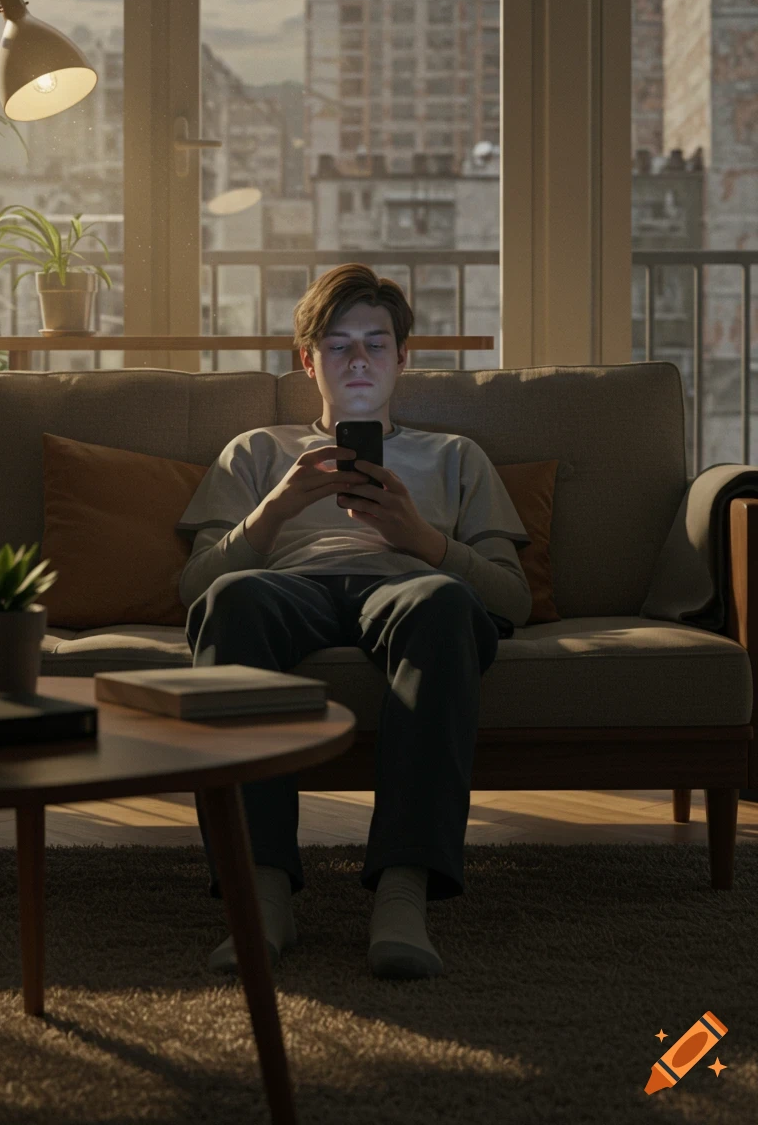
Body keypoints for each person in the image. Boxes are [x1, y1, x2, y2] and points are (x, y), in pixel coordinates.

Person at [176, 263, 532, 981]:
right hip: (286, 589)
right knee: (234, 599)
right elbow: (195, 590)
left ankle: (403, 892)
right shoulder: (256, 451)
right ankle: (262, 891)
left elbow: (512, 601)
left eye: (376, 343)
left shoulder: (456, 457)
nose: (359, 359)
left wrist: (421, 539)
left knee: (442, 602)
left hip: (408, 587)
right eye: (339, 346)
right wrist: (275, 507)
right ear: (308, 361)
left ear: (405, 357)